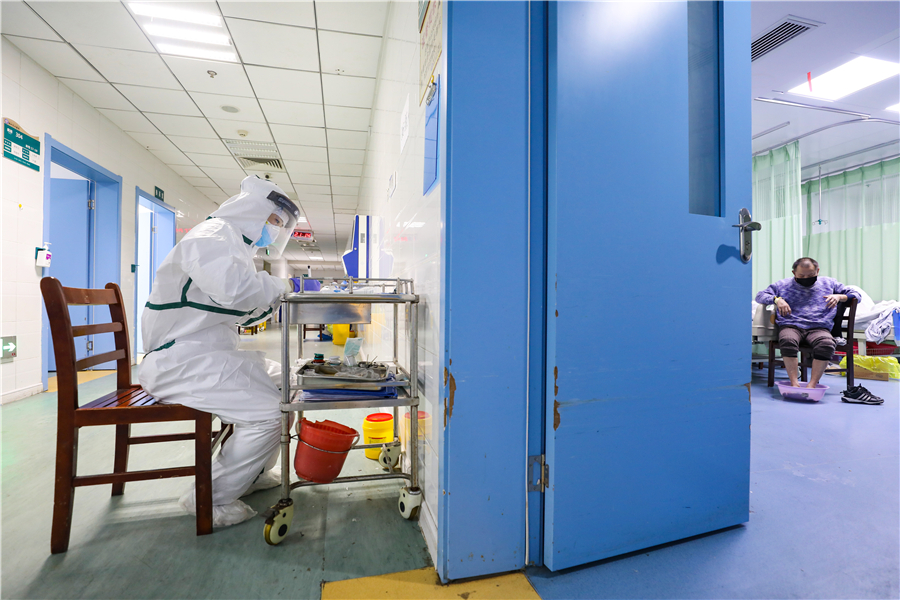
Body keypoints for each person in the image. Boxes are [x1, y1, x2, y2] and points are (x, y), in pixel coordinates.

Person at [139, 175, 308, 526]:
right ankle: (208, 497)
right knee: (268, 414)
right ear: (253, 211)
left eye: (279, 225)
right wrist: (283, 285)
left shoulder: (233, 246)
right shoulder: (211, 237)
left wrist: (274, 291)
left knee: (292, 384)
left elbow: (244, 311)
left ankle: (252, 473)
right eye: (273, 220)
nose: (274, 231)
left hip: (210, 354)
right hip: (179, 361)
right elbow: (237, 291)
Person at [755, 257, 863, 391]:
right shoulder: (782, 285)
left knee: (827, 344)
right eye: (801, 275)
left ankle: (812, 385)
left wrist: (839, 297)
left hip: (819, 327)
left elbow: (857, 295)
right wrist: (777, 299)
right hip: (791, 325)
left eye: (811, 275)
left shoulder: (829, 283)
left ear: (817, 271)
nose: (806, 278)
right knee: (787, 341)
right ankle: (794, 383)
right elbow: (760, 296)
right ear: (794, 273)